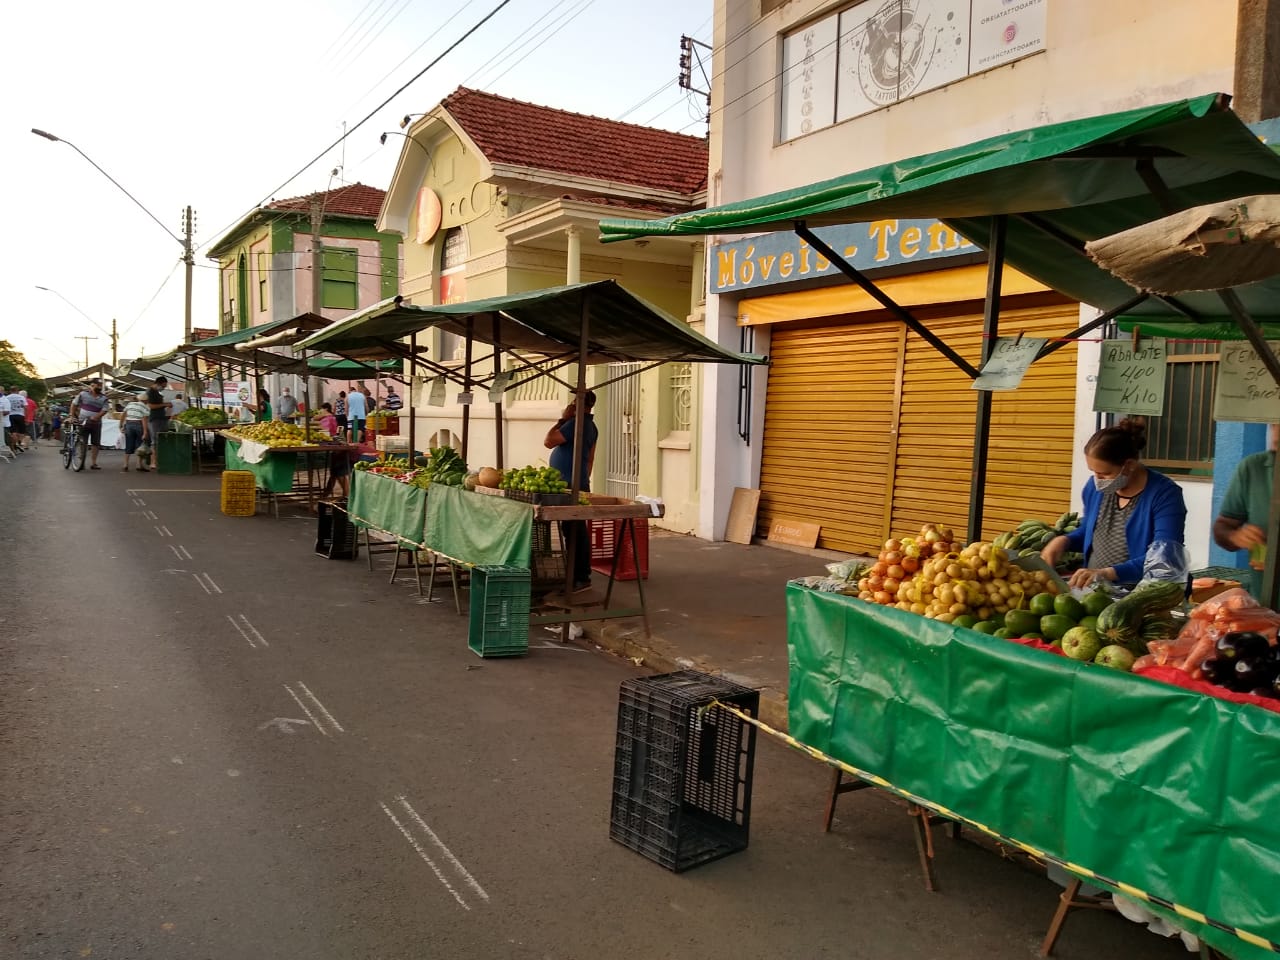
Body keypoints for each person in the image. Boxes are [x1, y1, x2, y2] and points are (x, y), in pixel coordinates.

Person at [1042, 418, 1187, 590]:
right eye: (1094, 472)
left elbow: (1165, 556)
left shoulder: (1165, 495)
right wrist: (1064, 541)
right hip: (1096, 591)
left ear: (1129, 465)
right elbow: (1091, 531)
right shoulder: (1093, 489)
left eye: (1105, 474)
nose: (1097, 480)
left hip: (1141, 593)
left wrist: (1107, 573)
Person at [1213, 423, 1279, 599]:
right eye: (1274, 424)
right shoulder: (1253, 468)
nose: (1277, 431)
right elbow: (1223, 525)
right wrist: (1235, 536)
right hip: (1265, 605)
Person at [544, 390, 600, 594]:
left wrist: (563, 419)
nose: (572, 402)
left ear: (579, 403)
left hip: (569, 486)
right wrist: (584, 481)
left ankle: (580, 577)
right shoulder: (592, 426)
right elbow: (590, 459)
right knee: (575, 530)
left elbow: (549, 441)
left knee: (574, 532)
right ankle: (578, 576)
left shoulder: (574, 424)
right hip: (577, 484)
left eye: (574, 400)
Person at [70, 378, 111, 470]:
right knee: (82, 441)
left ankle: (94, 463)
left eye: (101, 385)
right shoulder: (83, 394)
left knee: (95, 443)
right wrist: (71, 416)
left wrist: (97, 416)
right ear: (92, 385)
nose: (100, 387)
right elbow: (74, 404)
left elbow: (105, 409)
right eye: (98, 385)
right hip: (83, 422)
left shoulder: (104, 398)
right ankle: (82, 462)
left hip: (96, 423)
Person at [121, 391, 151, 472]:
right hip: (139, 425)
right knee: (140, 445)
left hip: (129, 424)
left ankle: (125, 464)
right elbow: (144, 419)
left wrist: (121, 425)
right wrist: (145, 432)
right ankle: (139, 465)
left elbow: (124, 414)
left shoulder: (130, 404)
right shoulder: (145, 407)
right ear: (146, 400)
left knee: (128, 444)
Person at [146, 375, 172, 440]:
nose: (163, 388)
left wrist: (165, 405)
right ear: (158, 384)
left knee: (162, 438)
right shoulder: (150, 392)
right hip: (155, 419)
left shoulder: (156, 392)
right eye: (163, 386)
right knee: (156, 439)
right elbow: (150, 406)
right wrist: (164, 405)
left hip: (161, 418)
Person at [6, 386, 28, 452]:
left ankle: (14, 444)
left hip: (11, 415)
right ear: (17, 390)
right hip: (20, 415)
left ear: (10, 390)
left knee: (13, 432)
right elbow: (25, 407)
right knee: (22, 432)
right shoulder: (21, 397)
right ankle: (18, 442)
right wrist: (25, 416)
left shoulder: (7, 397)